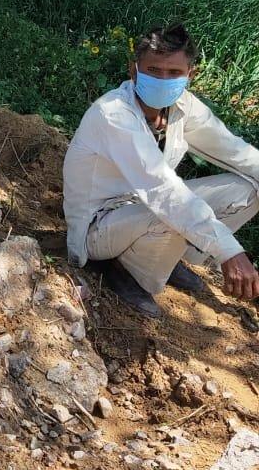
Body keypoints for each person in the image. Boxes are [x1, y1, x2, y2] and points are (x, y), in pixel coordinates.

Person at [64, 23, 259, 319]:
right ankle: (120, 269)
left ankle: (169, 257)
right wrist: (229, 251)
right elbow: (162, 190)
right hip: (99, 225)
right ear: (134, 71)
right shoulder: (113, 114)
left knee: (249, 188)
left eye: (174, 72)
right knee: (173, 210)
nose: (162, 79)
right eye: (153, 70)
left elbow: (236, 151)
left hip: (141, 209)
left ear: (190, 75)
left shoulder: (183, 107)